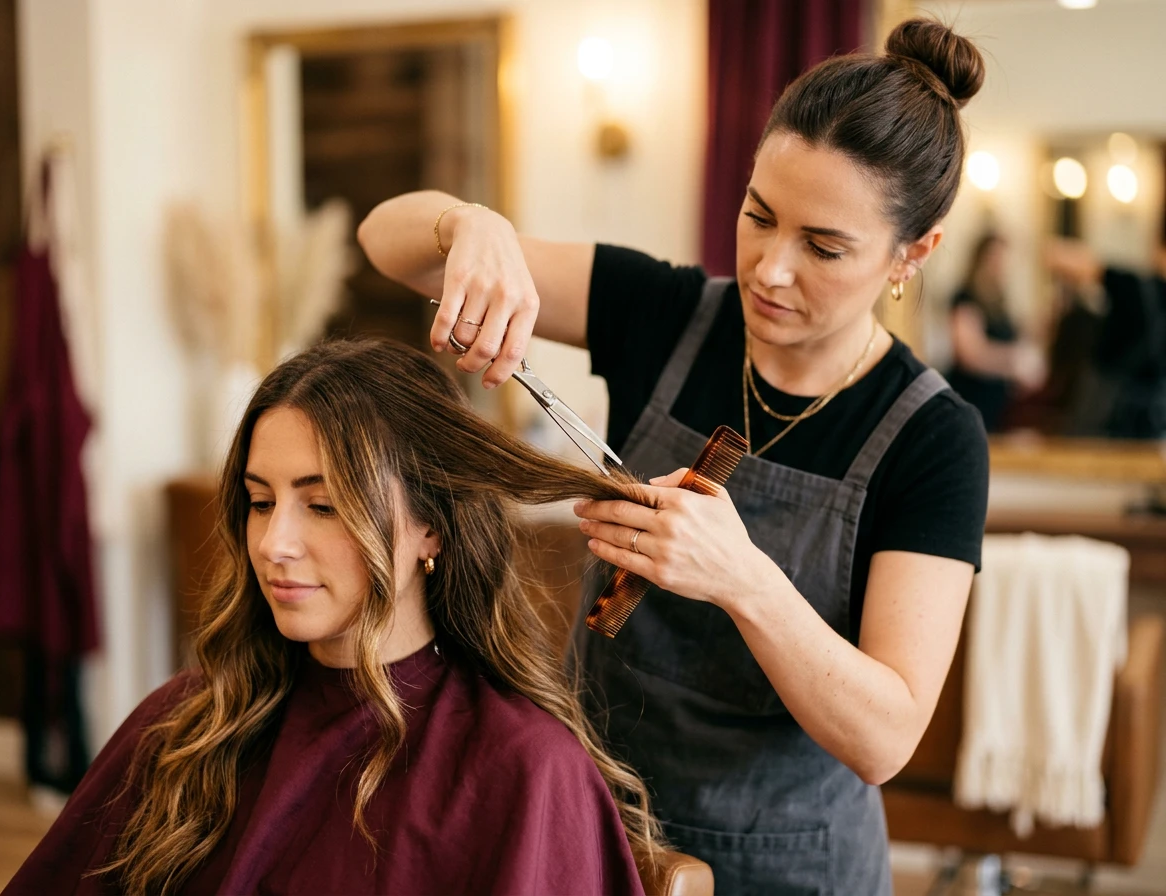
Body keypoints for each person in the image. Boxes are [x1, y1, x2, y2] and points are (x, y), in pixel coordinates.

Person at [360, 18, 990, 894]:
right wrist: (470, 228)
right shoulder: (664, 312)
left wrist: (741, 576)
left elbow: (885, 737)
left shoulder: (933, 437)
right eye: (758, 216)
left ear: (912, 254)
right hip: (599, 828)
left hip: (795, 868)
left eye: (823, 247)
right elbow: (385, 240)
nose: (769, 271)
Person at [3, 339, 661, 896]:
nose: (273, 543)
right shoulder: (193, 722)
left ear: (431, 527)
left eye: (322, 506)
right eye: (261, 503)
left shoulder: (523, 768)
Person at [1045, 236, 1166, 439]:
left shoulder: (1134, 284)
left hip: (1110, 393)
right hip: (1143, 404)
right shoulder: (1142, 287)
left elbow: (1067, 259)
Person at [946, 232, 1046, 431]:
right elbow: (970, 353)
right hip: (973, 393)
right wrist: (1014, 361)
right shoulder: (965, 296)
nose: (1000, 265)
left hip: (999, 397)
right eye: (995, 257)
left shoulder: (999, 301)